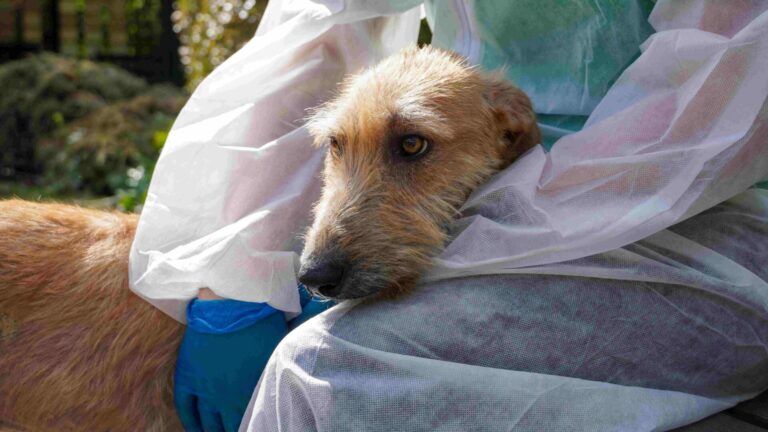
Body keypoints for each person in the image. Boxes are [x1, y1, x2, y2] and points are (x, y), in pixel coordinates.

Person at [129, 0, 768, 430]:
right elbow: (314, 38)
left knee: (324, 375)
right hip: (483, 174)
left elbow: (729, 79)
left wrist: (506, 226)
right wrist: (234, 281)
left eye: (409, 148)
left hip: (703, 206)